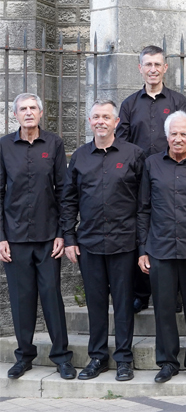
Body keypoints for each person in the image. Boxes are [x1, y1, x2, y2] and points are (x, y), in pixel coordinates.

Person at [62, 100, 145, 382]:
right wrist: (69, 238)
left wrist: (142, 244)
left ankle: (123, 359)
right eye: (96, 117)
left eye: (106, 117)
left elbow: (144, 202)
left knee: (123, 303)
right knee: (96, 304)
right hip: (89, 243)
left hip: (125, 243)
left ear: (116, 121)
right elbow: (69, 200)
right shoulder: (80, 157)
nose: (100, 121)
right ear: (89, 121)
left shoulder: (134, 154)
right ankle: (97, 357)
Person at [137, 111, 186, 383]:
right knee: (164, 308)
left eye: (184, 134)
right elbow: (143, 209)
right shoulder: (151, 165)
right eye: (174, 133)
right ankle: (167, 362)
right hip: (160, 248)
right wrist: (142, 249)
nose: (178, 138)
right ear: (166, 136)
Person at [1, 93, 74, 381]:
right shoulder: (4, 146)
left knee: (52, 296)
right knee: (22, 298)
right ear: (15, 115)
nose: (28, 113)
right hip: (15, 237)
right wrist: (1, 237)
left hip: (47, 238)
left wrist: (61, 233)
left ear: (41, 114)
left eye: (33, 108)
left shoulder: (54, 144)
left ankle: (61, 357)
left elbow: (63, 192)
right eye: (23, 109)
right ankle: (24, 356)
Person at [117, 45, 186, 314]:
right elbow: (122, 142)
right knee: (142, 231)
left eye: (157, 64)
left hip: (171, 176)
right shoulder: (129, 104)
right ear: (140, 68)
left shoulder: (178, 102)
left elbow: (185, 135)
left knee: (175, 229)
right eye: (148, 64)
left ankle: (177, 294)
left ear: (165, 68)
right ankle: (141, 292)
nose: (153, 69)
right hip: (138, 178)